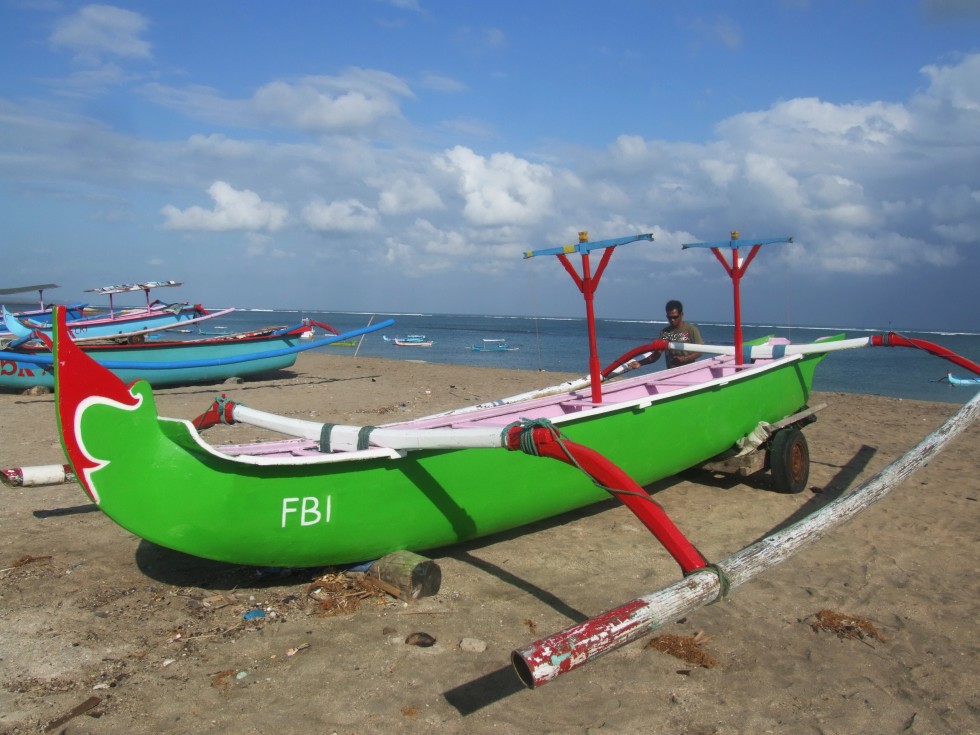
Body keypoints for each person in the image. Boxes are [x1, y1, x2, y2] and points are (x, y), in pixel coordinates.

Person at [628, 300, 703, 370]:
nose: (672, 320)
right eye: (669, 317)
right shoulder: (665, 332)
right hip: (671, 371)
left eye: (675, 317)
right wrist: (640, 363)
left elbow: (700, 351)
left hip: (688, 371)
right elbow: (657, 355)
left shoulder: (691, 329)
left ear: (682, 315)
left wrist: (685, 359)